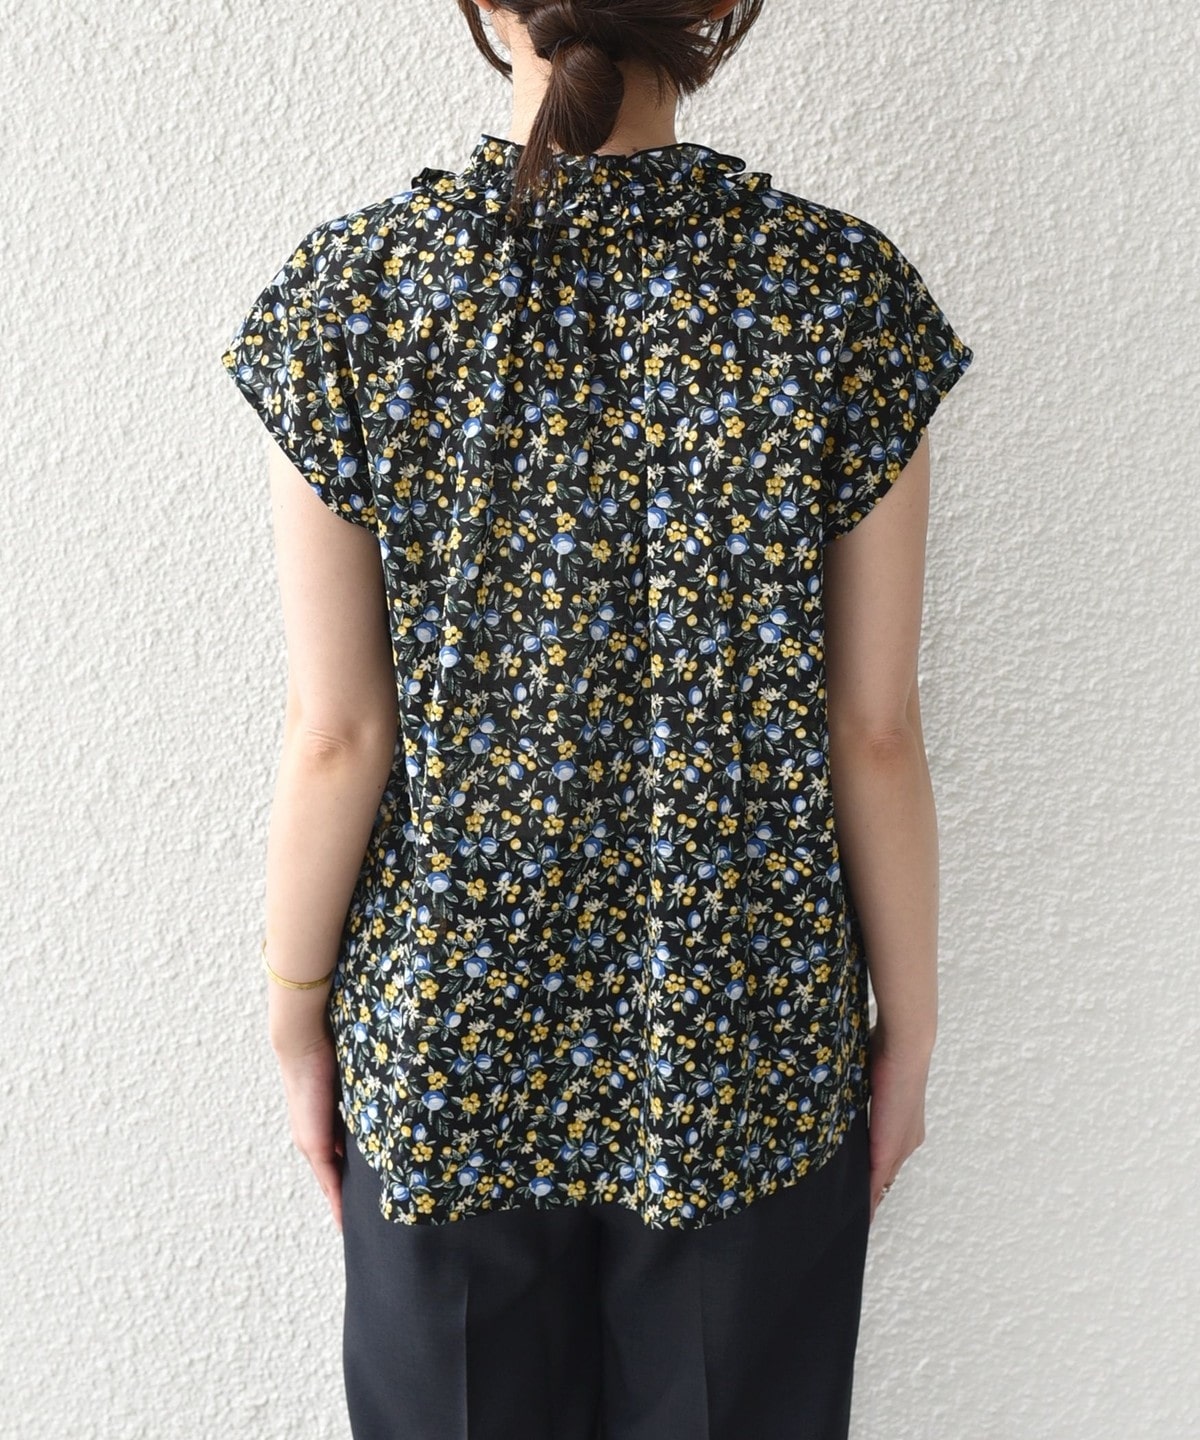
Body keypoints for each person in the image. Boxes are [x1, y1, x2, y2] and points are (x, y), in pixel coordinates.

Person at [219, 2, 974, 1436]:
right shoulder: (838, 298)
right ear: (716, 11)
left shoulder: (356, 297)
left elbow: (336, 735)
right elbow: (872, 729)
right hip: (746, 1045)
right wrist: (910, 1038)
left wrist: (297, 1018)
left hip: (446, 1041)